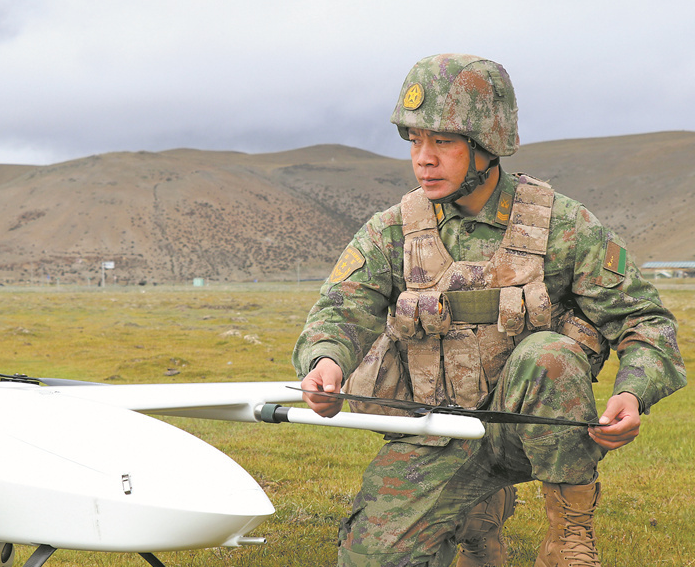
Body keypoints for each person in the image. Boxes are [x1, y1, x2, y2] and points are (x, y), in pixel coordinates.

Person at [292, 53, 686, 567]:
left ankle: (568, 532)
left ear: (488, 145)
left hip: (534, 434)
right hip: (439, 433)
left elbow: (645, 322)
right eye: (415, 140)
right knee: (373, 559)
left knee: (548, 354)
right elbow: (342, 307)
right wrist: (326, 361)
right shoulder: (394, 229)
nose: (423, 159)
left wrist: (632, 392)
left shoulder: (561, 225)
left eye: (443, 141)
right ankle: (479, 516)